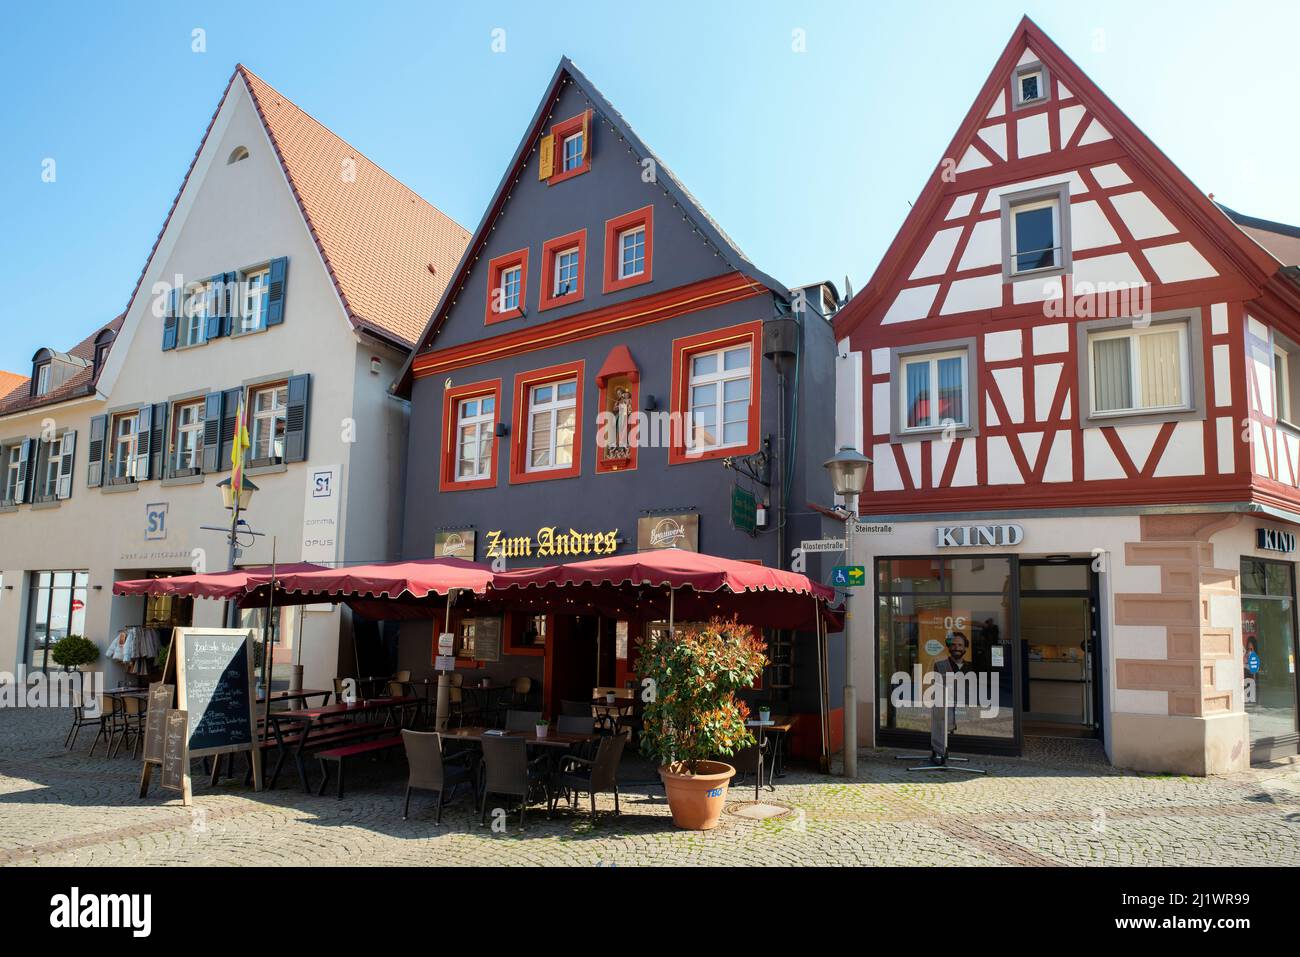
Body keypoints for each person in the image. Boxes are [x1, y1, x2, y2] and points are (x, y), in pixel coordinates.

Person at [929, 631, 971, 762]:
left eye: (960, 645)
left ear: (965, 647)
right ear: (948, 647)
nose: (957, 648)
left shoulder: (971, 667)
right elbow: (936, 689)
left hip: (966, 710)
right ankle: (940, 751)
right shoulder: (940, 665)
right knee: (943, 729)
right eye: (953, 645)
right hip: (946, 707)